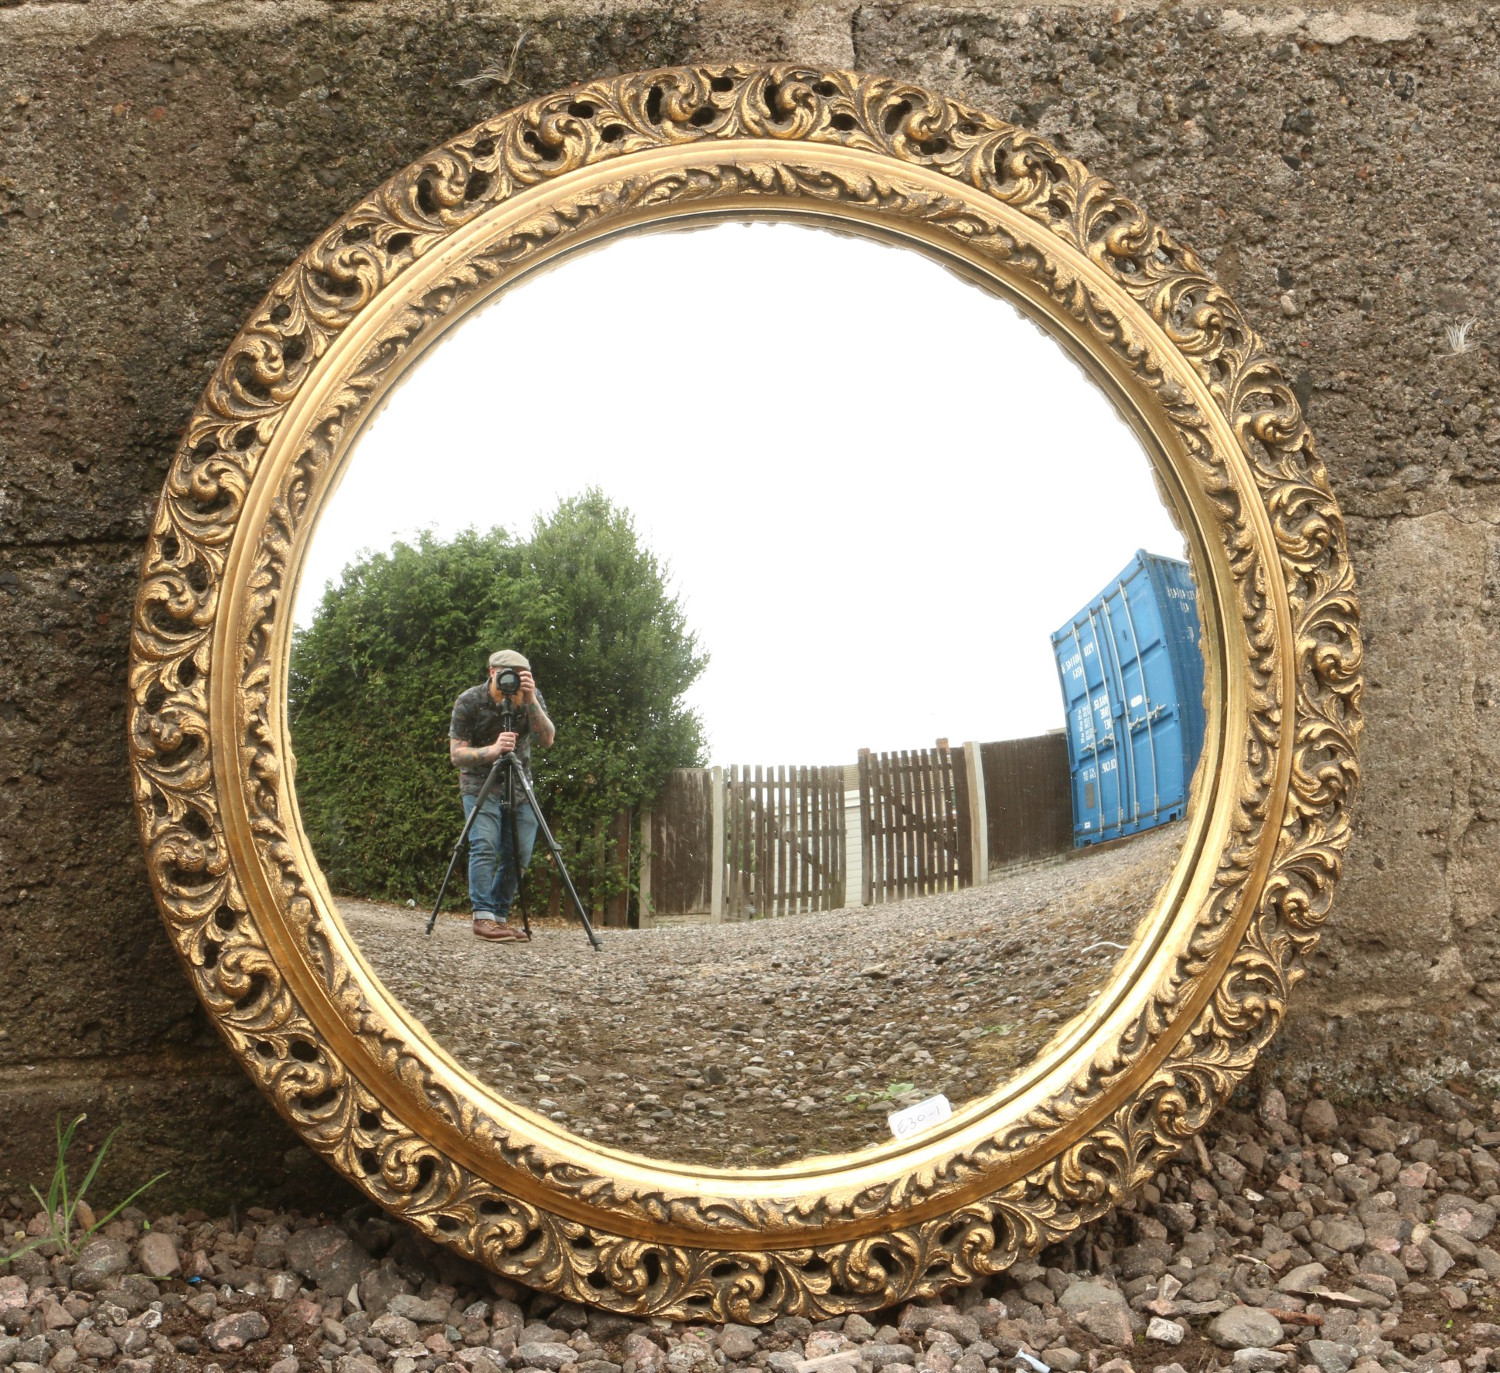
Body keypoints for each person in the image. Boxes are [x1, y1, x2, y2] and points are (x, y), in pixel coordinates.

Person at [448, 649, 556, 942]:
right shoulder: (469, 701)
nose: (513, 682)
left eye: (521, 676)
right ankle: (482, 918)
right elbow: (456, 755)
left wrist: (532, 698)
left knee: (519, 852)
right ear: (492, 673)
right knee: (484, 844)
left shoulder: (529, 697)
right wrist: (493, 751)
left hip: (520, 784)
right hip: (479, 782)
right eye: (507, 674)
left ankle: (498, 916)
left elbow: (547, 739)